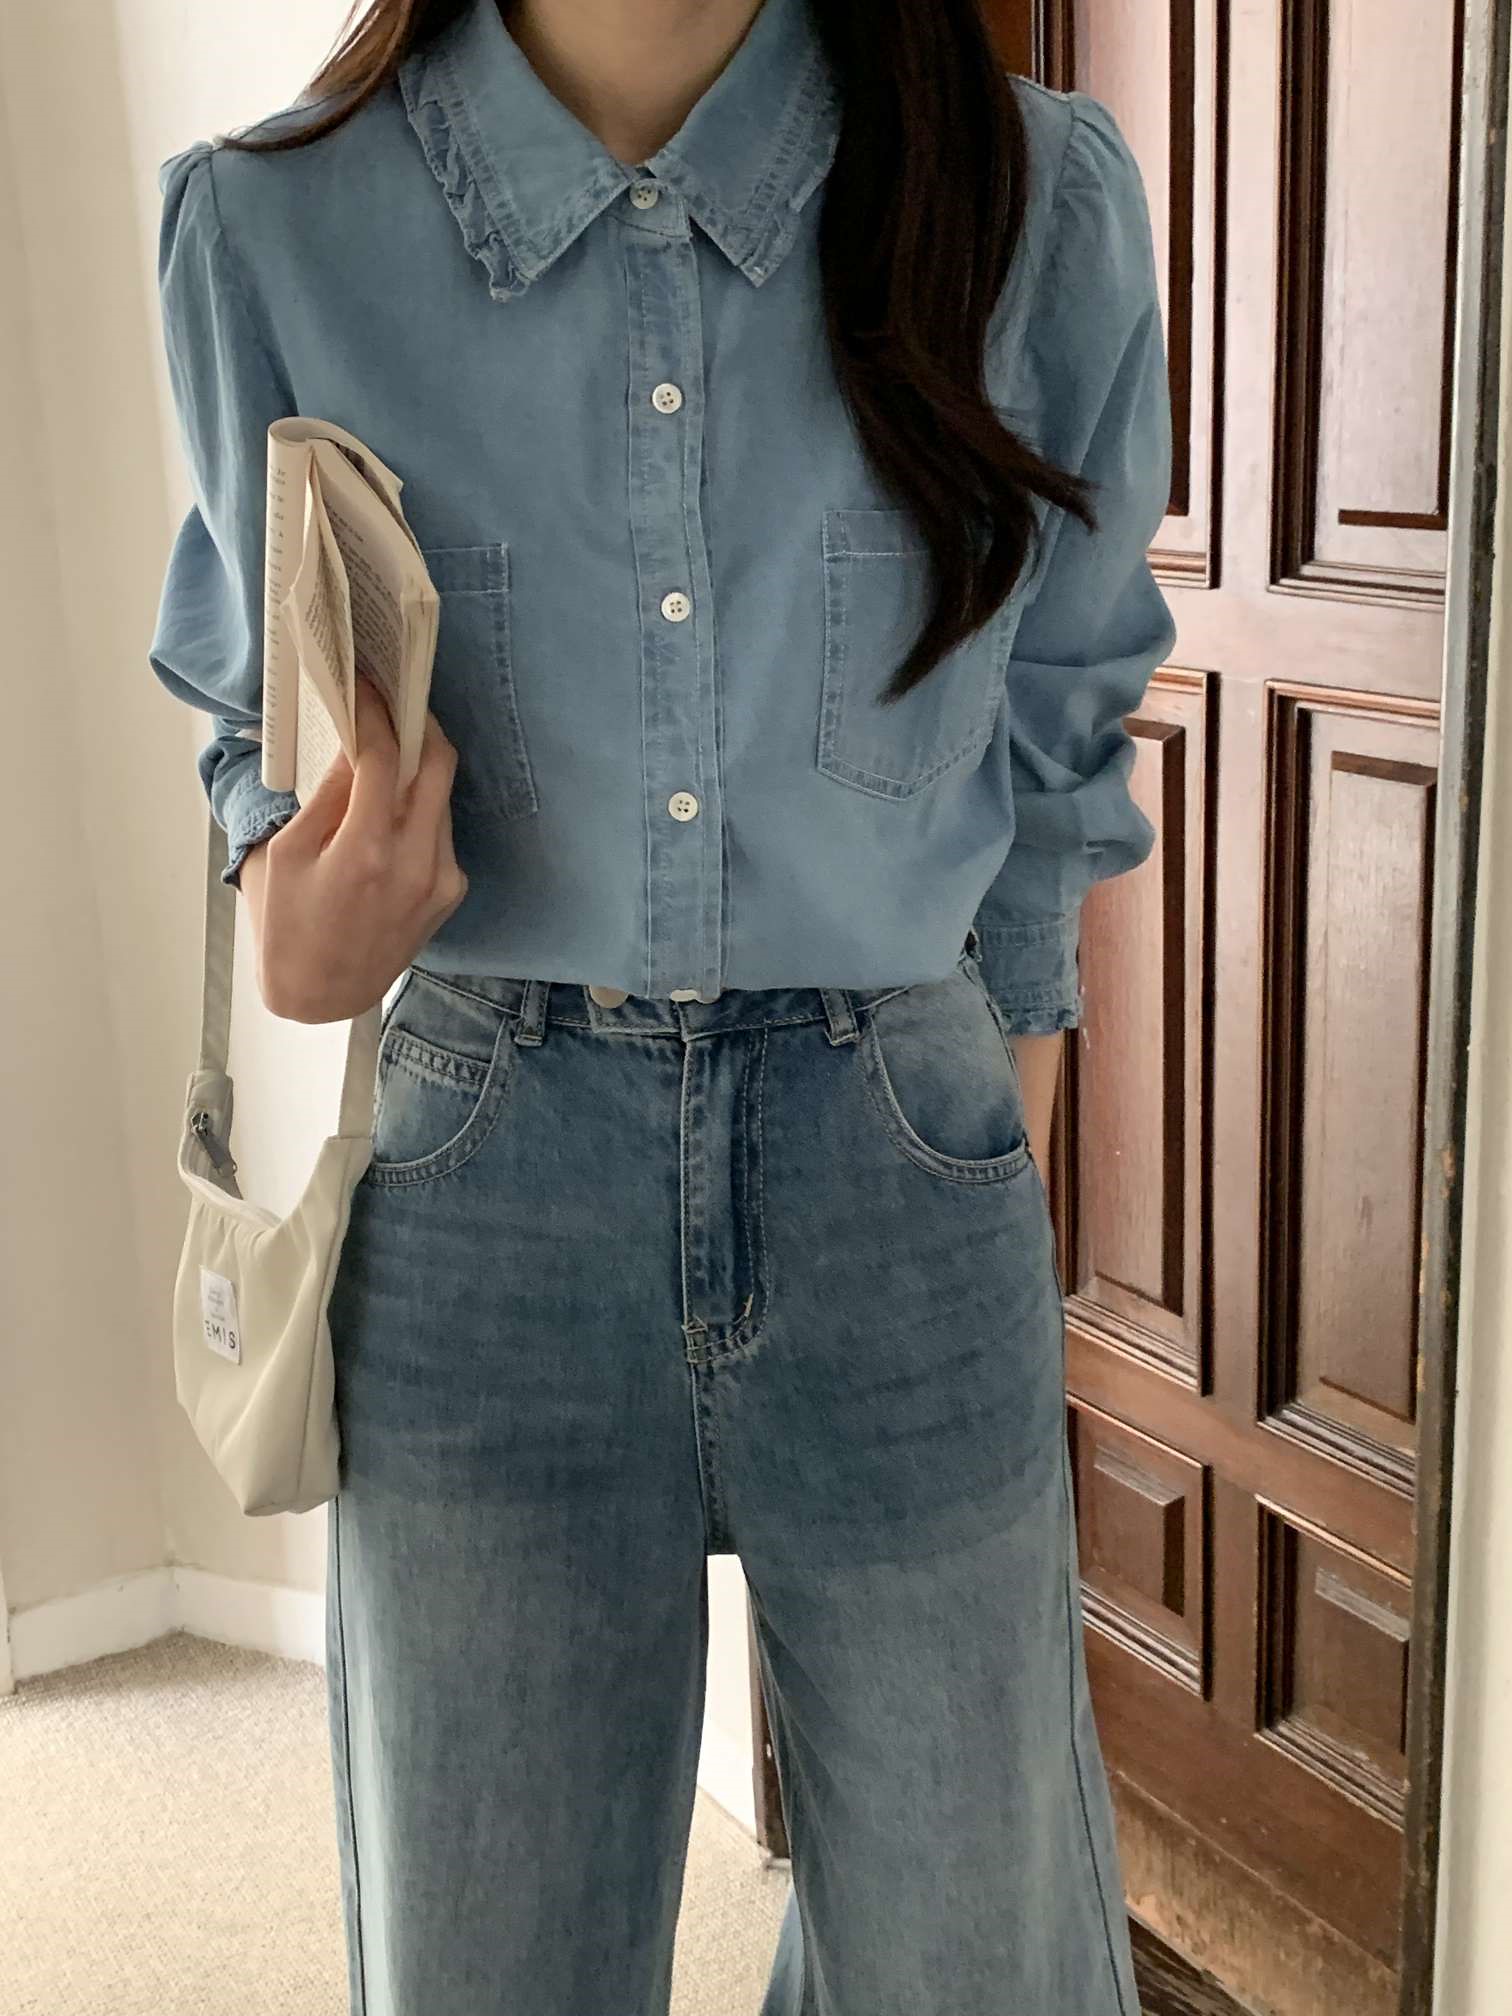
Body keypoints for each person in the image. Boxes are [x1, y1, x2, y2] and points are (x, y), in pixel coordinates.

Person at [147, 2, 1177, 2011]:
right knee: (489, 1958)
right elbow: (258, 758)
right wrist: (307, 931)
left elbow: (1059, 750)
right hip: (485, 1183)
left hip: (906, 1151)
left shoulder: (1037, 201)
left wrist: (989, 1167)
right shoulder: (271, 229)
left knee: (981, 1957)